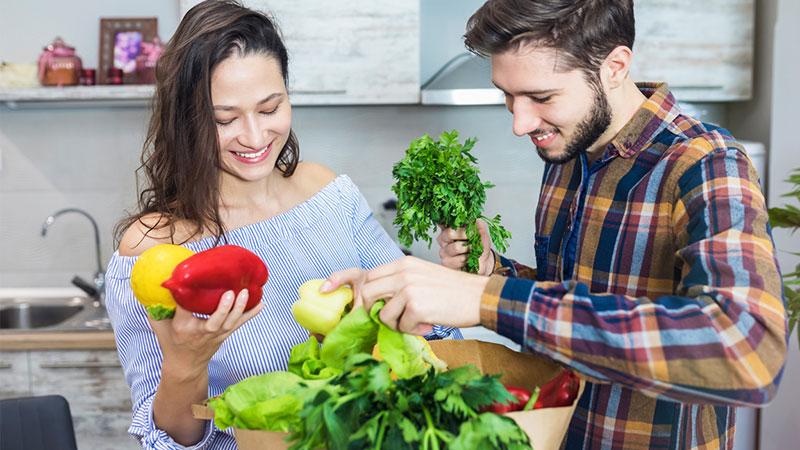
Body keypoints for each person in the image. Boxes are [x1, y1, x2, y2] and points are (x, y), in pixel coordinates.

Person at [326, 0, 788, 448]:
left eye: (541, 97)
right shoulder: (569, 151)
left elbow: (747, 351)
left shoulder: (704, 163)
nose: (520, 122)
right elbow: (575, 296)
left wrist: (488, 300)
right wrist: (493, 273)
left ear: (614, 66)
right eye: (507, 96)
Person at [105, 1, 458, 448]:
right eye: (224, 120)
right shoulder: (153, 250)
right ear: (186, 122)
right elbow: (170, 441)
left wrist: (403, 306)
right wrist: (185, 363)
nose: (254, 137)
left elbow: (440, 348)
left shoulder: (328, 193)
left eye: (270, 109)